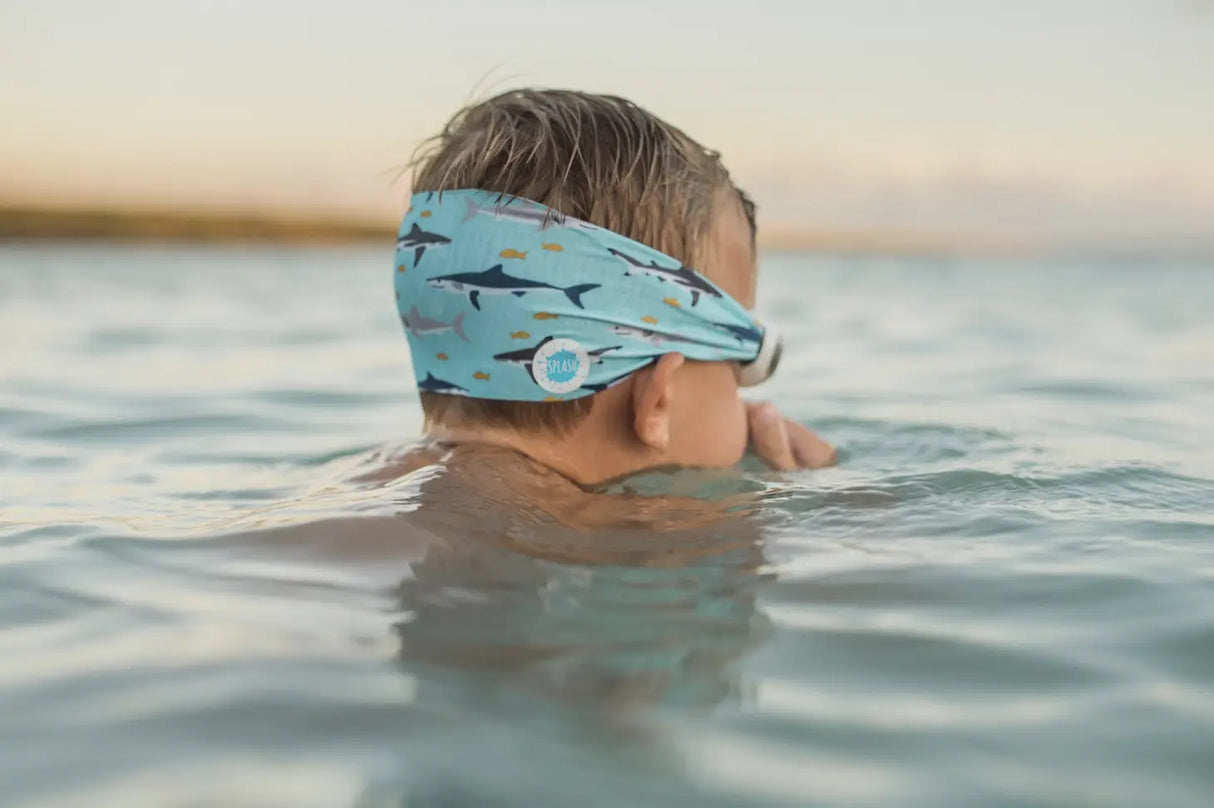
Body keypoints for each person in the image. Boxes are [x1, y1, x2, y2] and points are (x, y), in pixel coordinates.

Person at [388, 88, 835, 489]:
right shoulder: (618, 541)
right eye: (744, 363)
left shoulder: (343, 499)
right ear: (658, 398)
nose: (746, 403)